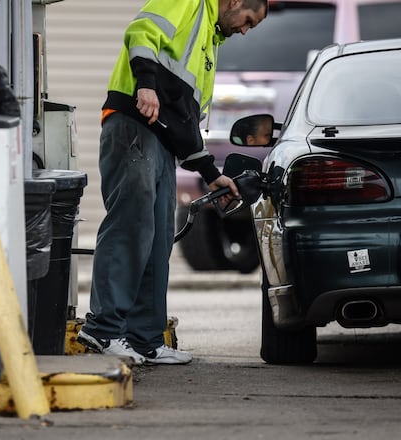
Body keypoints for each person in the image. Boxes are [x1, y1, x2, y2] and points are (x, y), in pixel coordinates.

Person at [77, 0, 268, 365]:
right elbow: (141, 32)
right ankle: (102, 330)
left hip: (161, 144)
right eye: (247, 21)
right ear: (234, 3)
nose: (244, 31)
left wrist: (212, 176)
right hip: (133, 125)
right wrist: (145, 85)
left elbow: (183, 126)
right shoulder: (191, 3)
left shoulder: (208, 42)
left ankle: (146, 340)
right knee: (131, 227)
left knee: (159, 237)